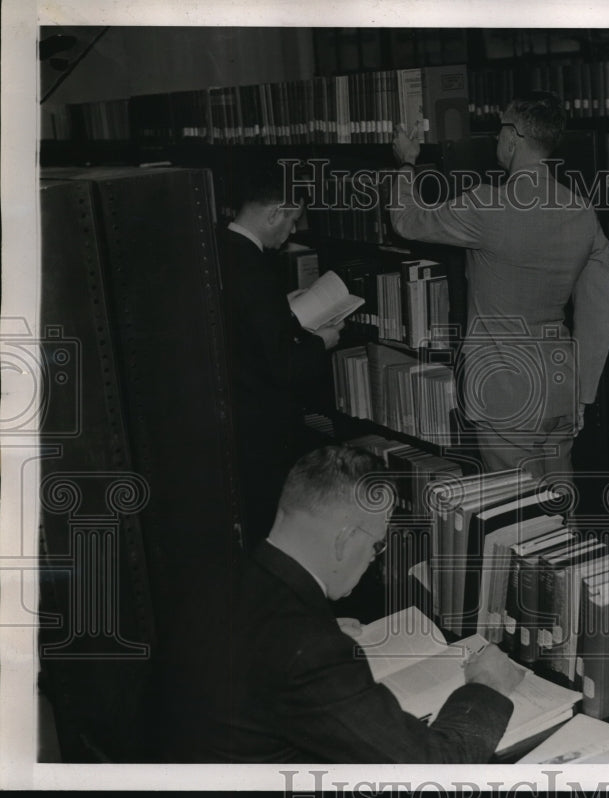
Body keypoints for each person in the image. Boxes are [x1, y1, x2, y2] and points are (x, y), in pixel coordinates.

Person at [166, 444, 523, 763]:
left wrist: (313, 628)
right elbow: (431, 771)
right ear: (345, 539)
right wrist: (486, 686)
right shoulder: (311, 649)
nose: (374, 558)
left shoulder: (219, 578)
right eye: (377, 545)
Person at [388, 92, 609, 478]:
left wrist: (407, 163)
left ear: (512, 137)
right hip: (561, 385)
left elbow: (406, 220)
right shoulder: (582, 211)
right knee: (559, 498)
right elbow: (599, 311)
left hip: (504, 389)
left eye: (499, 131)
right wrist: (583, 390)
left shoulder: (487, 205)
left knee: (514, 505)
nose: (496, 138)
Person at [218, 164, 346, 549]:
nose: (291, 232)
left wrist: (282, 312)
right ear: (275, 213)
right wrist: (321, 342)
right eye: (291, 220)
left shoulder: (218, 248)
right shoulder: (255, 270)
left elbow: (242, 328)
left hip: (229, 417)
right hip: (260, 427)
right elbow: (283, 367)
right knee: (270, 525)